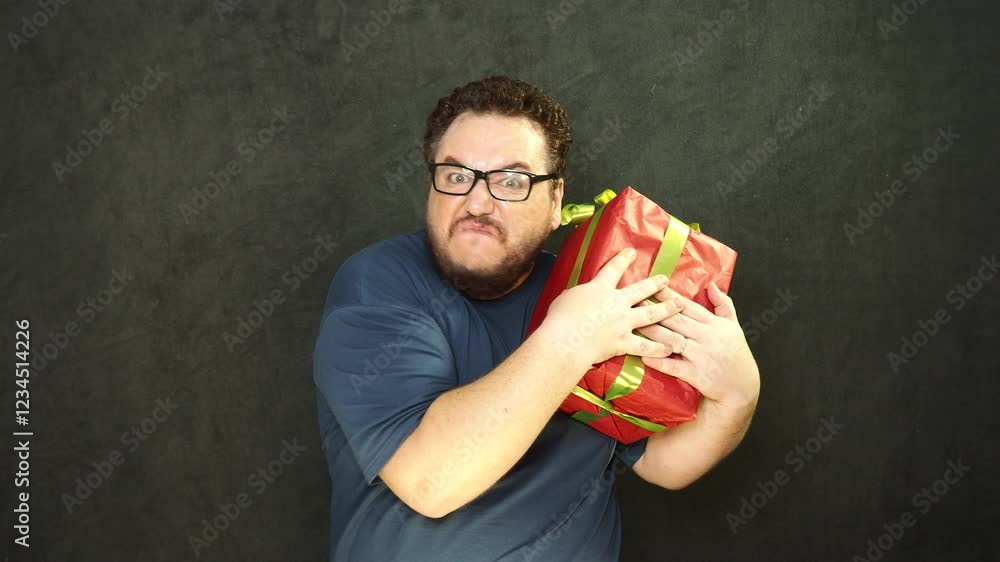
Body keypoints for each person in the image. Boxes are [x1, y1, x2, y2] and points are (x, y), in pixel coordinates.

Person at [313, 75, 761, 562]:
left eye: (511, 181)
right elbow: (431, 482)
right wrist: (570, 341)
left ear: (555, 202)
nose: (477, 202)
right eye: (457, 175)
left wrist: (737, 396)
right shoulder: (379, 285)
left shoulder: (593, 287)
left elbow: (661, 464)